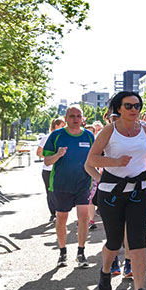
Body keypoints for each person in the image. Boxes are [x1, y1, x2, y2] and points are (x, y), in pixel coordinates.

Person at [86, 91, 146, 290]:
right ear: (118, 108)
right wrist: (112, 166)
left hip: (139, 190)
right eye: (128, 106)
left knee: (138, 241)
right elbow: (91, 161)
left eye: (137, 106)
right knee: (115, 240)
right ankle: (106, 271)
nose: (134, 110)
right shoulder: (110, 130)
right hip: (112, 193)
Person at [42, 105, 97, 268]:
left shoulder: (89, 136)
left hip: (83, 183)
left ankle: (81, 252)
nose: (75, 119)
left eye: (78, 116)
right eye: (72, 116)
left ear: (83, 119)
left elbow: (95, 157)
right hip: (61, 184)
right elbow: (46, 161)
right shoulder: (57, 135)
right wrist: (58, 155)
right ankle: (62, 251)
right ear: (66, 118)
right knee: (62, 218)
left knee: (83, 218)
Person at [37, 117, 65, 221]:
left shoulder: (64, 137)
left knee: (60, 191)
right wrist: (51, 157)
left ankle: (60, 211)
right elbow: (39, 152)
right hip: (48, 170)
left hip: (61, 169)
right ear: (56, 126)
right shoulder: (47, 137)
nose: (64, 128)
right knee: (50, 191)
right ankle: (53, 213)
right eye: (62, 126)